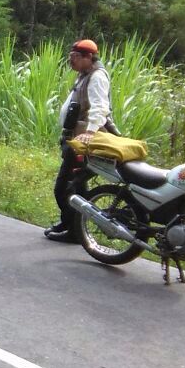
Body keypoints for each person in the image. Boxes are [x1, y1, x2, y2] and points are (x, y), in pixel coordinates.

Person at [46, 38, 114, 243]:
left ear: (89, 57)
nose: (71, 61)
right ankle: (69, 224)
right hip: (75, 139)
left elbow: (100, 108)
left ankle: (74, 231)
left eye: (75, 57)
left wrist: (90, 133)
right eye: (71, 56)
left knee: (67, 187)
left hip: (84, 142)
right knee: (75, 186)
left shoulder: (97, 77)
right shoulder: (84, 74)